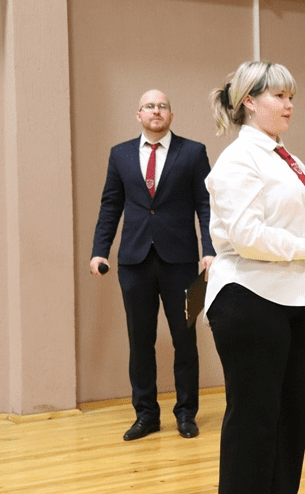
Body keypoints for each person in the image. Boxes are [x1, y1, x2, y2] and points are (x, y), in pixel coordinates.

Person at [204, 61, 305, 494]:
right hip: (249, 298)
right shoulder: (238, 160)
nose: (289, 105)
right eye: (279, 96)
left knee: (292, 420)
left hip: (298, 299)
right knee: (254, 424)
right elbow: (247, 237)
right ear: (249, 101)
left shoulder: (287, 158)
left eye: (291, 97)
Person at [90, 89, 215, 441]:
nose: (156, 111)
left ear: (171, 116)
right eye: (149, 106)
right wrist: (100, 251)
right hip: (134, 262)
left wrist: (211, 251)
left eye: (162, 106)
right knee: (140, 341)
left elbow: (206, 205)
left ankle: (186, 414)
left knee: (186, 339)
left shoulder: (194, 152)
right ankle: (146, 415)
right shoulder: (120, 154)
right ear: (139, 115)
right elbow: (110, 205)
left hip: (184, 263)